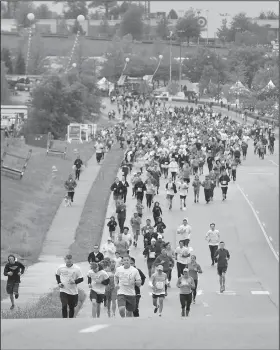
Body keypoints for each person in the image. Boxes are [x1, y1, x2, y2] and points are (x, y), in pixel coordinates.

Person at [55, 254, 83, 318]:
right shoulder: (61, 267)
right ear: (65, 260)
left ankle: (70, 320)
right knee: (64, 305)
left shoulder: (77, 268)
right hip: (63, 290)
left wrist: (75, 281)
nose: (68, 264)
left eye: (70, 262)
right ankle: (64, 320)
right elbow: (57, 275)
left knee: (71, 307)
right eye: (67, 262)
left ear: (72, 261)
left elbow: (81, 278)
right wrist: (59, 282)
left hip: (73, 291)